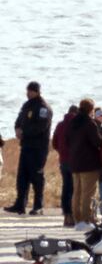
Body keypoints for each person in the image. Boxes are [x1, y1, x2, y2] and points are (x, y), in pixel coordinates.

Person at [7, 82, 51, 215]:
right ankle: (20, 204)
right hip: (25, 146)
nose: (28, 93)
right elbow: (19, 120)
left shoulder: (43, 108)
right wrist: (17, 129)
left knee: (36, 177)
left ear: (37, 92)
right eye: (27, 91)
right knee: (22, 176)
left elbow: (40, 127)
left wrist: (24, 133)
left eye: (31, 91)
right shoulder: (27, 105)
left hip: (38, 148)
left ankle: (38, 206)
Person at [62, 99, 102, 228]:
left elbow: (67, 141)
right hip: (89, 164)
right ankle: (87, 219)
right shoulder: (89, 123)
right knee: (88, 193)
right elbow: (97, 142)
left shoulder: (73, 122)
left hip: (74, 163)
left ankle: (77, 218)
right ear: (91, 110)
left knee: (77, 192)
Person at [51, 104, 76, 227]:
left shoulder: (60, 125)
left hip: (63, 160)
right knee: (75, 188)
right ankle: (73, 215)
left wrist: (61, 151)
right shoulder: (76, 125)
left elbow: (54, 142)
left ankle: (66, 214)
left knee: (66, 187)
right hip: (75, 161)